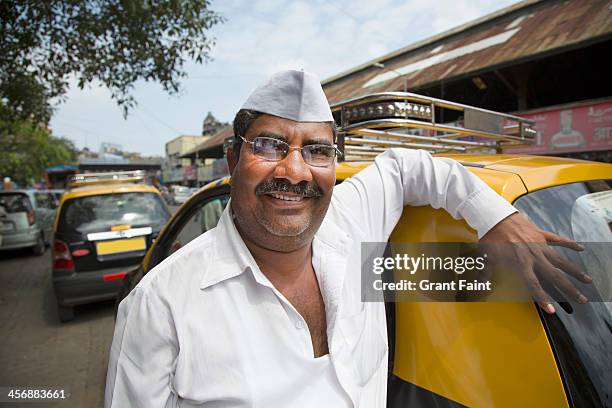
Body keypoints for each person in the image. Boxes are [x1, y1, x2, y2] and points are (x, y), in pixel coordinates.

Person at [105, 70, 590, 407]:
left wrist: (498, 219)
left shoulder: (351, 222)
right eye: (271, 145)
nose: (294, 171)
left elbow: (407, 167)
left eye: (316, 151)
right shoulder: (160, 305)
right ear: (232, 161)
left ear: (333, 166)